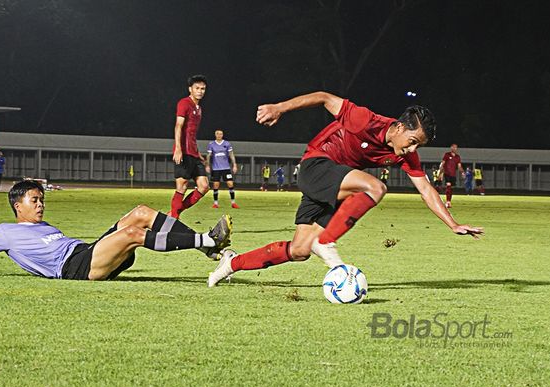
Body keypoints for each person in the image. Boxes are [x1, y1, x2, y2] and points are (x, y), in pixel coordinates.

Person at [209, 91, 483, 287]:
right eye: (411, 141)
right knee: (375, 187)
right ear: (398, 127)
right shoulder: (365, 120)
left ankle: (231, 263)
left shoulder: (404, 154)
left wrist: (452, 224)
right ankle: (327, 241)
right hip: (316, 165)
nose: (412, 149)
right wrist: (279, 108)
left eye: (417, 146)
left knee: (299, 250)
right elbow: (324, 97)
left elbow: (425, 188)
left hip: (334, 183)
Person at [0, 180, 232, 280]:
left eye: (41, 199)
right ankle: (207, 240)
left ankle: (205, 246)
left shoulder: (45, 225)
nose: (40, 205)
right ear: (18, 206)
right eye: (34, 200)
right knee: (131, 235)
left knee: (141, 213)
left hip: (86, 251)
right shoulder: (3, 232)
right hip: (75, 269)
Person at [170, 75, 210, 219]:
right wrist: (178, 149)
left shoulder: (199, 108)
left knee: (204, 186)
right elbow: (178, 126)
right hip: (183, 151)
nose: (200, 91)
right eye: (197, 88)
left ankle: (176, 212)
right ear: (190, 89)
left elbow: (192, 133)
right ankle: (173, 219)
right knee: (182, 186)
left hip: (193, 152)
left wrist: (198, 153)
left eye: (203, 89)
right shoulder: (184, 103)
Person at [206, 129, 239, 209]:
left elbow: (231, 154)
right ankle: (216, 203)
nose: (219, 135)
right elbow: (208, 156)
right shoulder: (211, 144)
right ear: (215, 135)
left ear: (222, 135)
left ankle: (233, 203)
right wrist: (207, 165)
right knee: (216, 185)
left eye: (220, 134)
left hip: (226, 168)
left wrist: (234, 164)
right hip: (216, 168)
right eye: (217, 134)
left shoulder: (227, 143)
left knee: (230, 184)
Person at [438, 143, 465, 208]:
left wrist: (462, 172)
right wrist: (440, 173)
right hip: (447, 173)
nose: (455, 149)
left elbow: (459, 166)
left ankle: (449, 201)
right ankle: (448, 202)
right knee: (448, 185)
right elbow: (443, 164)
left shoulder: (457, 157)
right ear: (451, 148)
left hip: (453, 175)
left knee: (451, 188)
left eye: (456, 147)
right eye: (454, 147)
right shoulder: (447, 155)